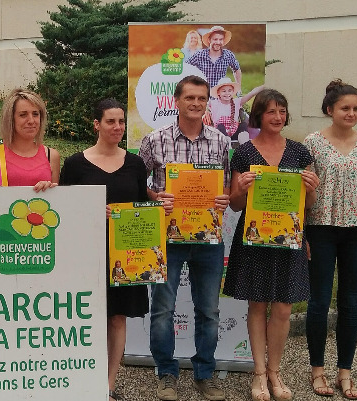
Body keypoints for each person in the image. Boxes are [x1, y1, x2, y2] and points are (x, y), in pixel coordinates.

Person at [60, 98, 171, 401]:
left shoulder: (135, 164)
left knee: (117, 318)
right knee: (86, 317)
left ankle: (108, 385)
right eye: (110, 121)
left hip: (126, 255)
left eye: (121, 121)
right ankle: (83, 381)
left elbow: (143, 206)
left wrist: (159, 207)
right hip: (87, 253)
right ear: (96, 124)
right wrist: (92, 211)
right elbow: (63, 211)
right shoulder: (75, 164)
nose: (117, 127)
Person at [222, 89, 320, 401]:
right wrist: (240, 188)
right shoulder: (244, 153)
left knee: (283, 307)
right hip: (254, 239)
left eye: (282, 111)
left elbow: (309, 204)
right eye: (271, 112)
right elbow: (235, 205)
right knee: (257, 304)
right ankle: (259, 374)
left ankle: (275, 372)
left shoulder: (300, 153)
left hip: (289, 237)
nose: (278, 117)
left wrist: (312, 189)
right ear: (258, 116)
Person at [139, 75, 231, 401]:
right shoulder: (155, 140)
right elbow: (139, 183)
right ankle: (166, 373)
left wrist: (224, 198)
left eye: (201, 98)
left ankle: (205, 373)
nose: (195, 103)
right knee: (163, 308)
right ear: (176, 101)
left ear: (208, 103)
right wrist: (155, 197)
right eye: (189, 97)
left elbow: (227, 186)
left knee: (209, 310)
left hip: (208, 239)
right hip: (168, 237)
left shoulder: (221, 142)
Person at [303, 79, 357, 400]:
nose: (351, 113)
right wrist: (302, 233)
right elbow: (303, 192)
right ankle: (317, 370)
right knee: (319, 302)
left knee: (351, 303)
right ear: (330, 110)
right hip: (321, 230)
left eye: (356, 108)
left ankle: (345, 373)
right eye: (345, 108)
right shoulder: (313, 143)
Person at [0, 88, 60, 191]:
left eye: (35, 114)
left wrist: (48, 190)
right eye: (23, 115)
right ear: (10, 119)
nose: (31, 121)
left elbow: (56, 199)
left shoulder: (51, 156)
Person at [205, 78, 264, 146]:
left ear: (233, 92)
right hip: (222, 135)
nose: (227, 93)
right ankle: (227, 146)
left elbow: (252, 93)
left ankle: (245, 146)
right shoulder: (214, 103)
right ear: (218, 92)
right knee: (220, 126)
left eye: (229, 91)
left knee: (243, 125)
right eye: (224, 91)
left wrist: (265, 85)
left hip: (234, 133)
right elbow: (202, 101)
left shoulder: (237, 102)